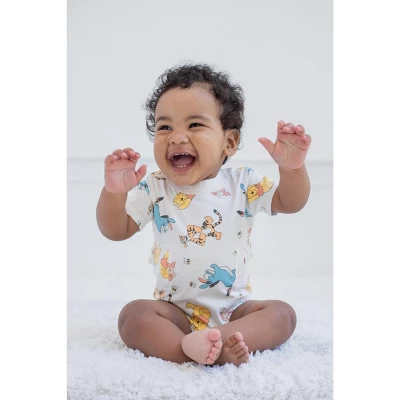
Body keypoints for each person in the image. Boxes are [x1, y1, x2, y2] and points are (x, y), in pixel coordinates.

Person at [96, 63, 311, 366]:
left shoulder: (243, 183)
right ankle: (189, 348)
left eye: (194, 124)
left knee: (282, 315)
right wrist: (114, 193)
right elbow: (115, 230)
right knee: (133, 316)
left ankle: (220, 340)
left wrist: (292, 169)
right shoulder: (155, 187)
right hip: (175, 314)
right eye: (165, 127)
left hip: (234, 312)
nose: (176, 137)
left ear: (229, 142)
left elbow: (290, 202)